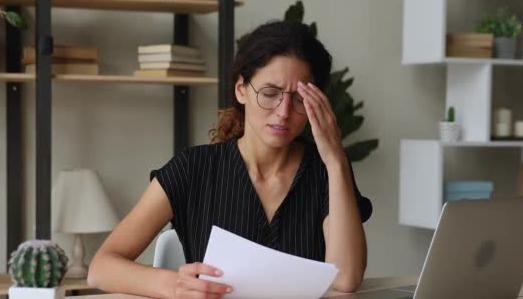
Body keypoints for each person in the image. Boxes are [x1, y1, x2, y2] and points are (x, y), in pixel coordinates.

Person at [88, 20, 372, 299]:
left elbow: (345, 280)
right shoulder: (192, 168)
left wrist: (336, 161)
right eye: (270, 94)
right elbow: (102, 268)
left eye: (298, 99)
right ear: (241, 90)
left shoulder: (326, 171)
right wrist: (173, 285)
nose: (284, 112)